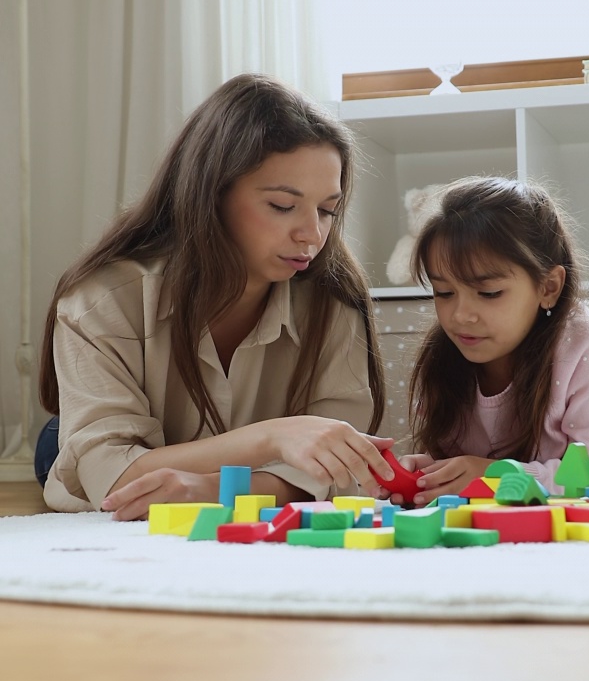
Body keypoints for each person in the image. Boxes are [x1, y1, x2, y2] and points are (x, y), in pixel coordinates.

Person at [38, 73, 395, 518]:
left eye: (327, 210)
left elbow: (342, 470)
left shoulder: (333, 305)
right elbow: (112, 480)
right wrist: (271, 437)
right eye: (283, 206)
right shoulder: (102, 299)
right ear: (212, 194)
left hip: (196, 464)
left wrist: (213, 488)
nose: (312, 234)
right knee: (59, 446)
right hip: (89, 442)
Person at [383, 175, 589, 505]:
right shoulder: (447, 356)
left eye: (488, 293)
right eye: (444, 292)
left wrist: (500, 477)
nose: (460, 315)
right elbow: (470, 462)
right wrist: (433, 474)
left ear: (548, 288)